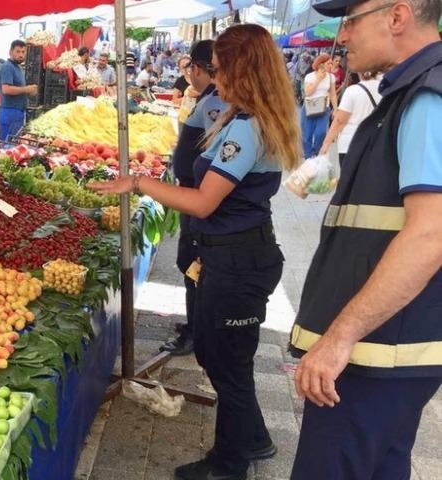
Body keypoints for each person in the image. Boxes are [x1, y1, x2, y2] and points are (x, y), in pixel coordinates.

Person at [90, 24, 301, 480]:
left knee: (229, 365)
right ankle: (254, 439)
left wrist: (139, 183)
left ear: (245, 71)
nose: (215, 80)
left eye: (222, 70)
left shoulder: (247, 127)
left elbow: (205, 199)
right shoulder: (247, 115)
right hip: (230, 254)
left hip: (237, 261)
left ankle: (230, 464)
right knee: (221, 356)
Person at [289, 0, 442, 478]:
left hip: (377, 353)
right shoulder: (408, 92)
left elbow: (430, 233)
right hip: (391, 348)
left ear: (396, 16)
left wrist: (340, 338)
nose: (343, 35)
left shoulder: (427, 97)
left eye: (352, 20)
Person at [160, 39, 228, 357]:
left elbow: (216, 155)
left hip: (199, 198)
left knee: (192, 263)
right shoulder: (210, 97)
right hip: (193, 192)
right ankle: (196, 326)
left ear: (197, 69)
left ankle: (198, 333)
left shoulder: (217, 102)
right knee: (190, 262)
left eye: (190, 68)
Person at [318, 71, 382, 163]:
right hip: (375, 143)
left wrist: (326, 144)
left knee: (349, 176)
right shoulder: (385, 90)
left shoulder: (352, 91)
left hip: (350, 144)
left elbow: (340, 121)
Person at [0, 40, 37, 141]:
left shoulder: (18, 68)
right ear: (10, 52)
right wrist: (26, 89)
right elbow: (6, 89)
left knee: (14, 145)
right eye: (18, 51)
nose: (21, 55)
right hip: (9, 112)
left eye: (23, 52)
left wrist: (30, 91)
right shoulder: (7, 67)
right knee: (8, 145)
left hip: (18, 112)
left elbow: (20, 90)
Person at [300, 53, 338, 157]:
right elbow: (307, 93)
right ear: (321, 64)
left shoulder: (331, 77)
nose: (331, 65)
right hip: (309, 107)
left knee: (320, 133)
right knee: (307, 135)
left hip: (324, 108)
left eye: (331, 63)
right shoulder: (310, 76)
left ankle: (316, 153)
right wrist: (318, 80)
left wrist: (335, 109)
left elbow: (333, 94)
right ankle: (308, 157)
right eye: (328, 63)